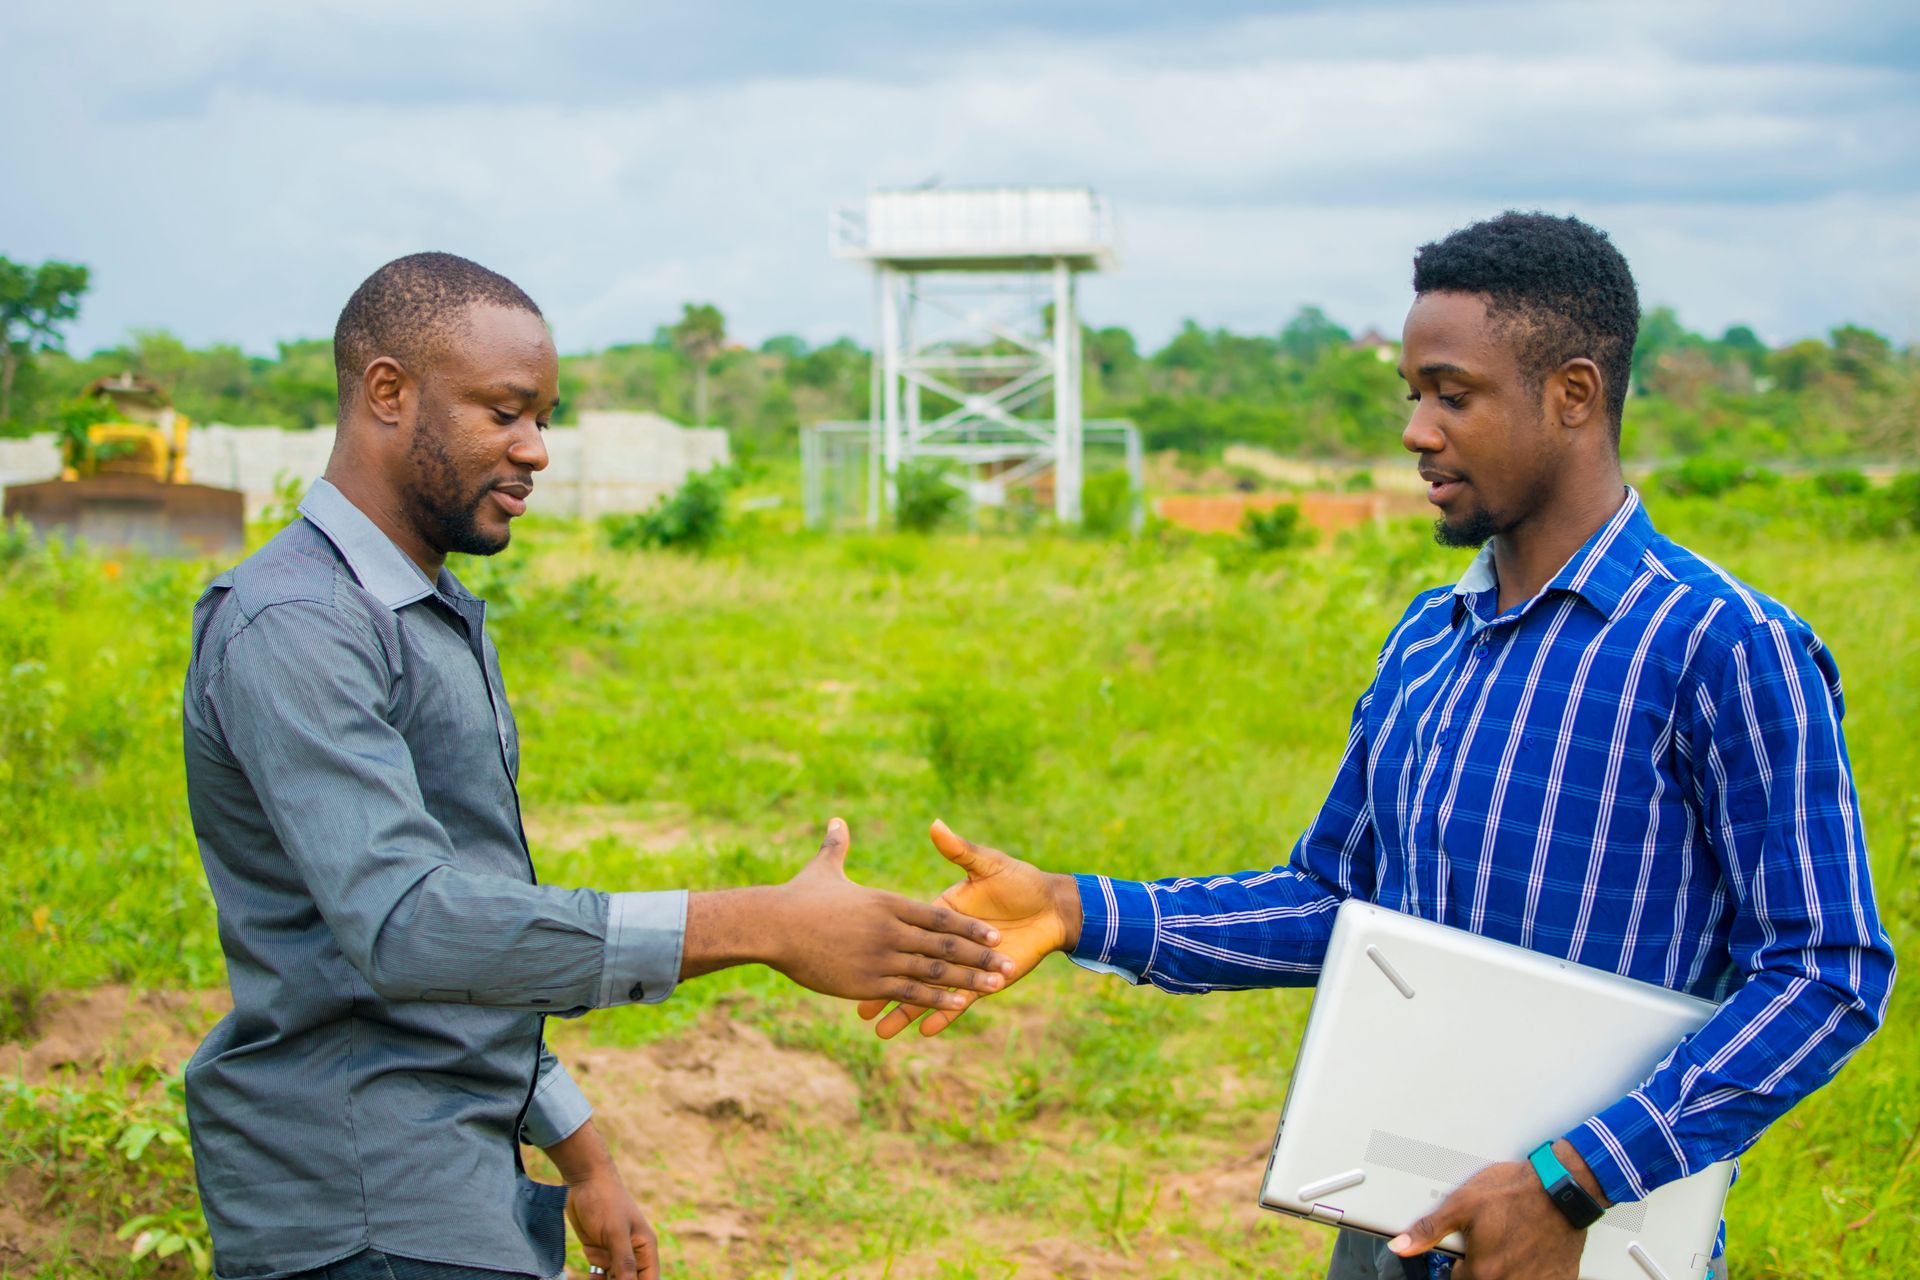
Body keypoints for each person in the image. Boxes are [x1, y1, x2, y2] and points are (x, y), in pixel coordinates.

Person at [857, 213, 1896, 1280]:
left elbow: (1827, 971)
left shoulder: (1724, 646)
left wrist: (1574, 1176)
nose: (1417, 430)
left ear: (1574, 395)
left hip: (1586, 1243)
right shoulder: (1425, 642)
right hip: (1389, 1228)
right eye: (1414, 395)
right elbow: (1337, 904)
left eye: (1454, 394)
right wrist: (1077, 908)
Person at [182, 253, 1014, 1280]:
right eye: (505, 410)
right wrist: (762, 924)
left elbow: (475, 923)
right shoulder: (298, 624)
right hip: (367, 1202)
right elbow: (408, 926)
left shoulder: (418, 613)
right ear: (388, 392)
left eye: (545, 417)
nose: (535, 449)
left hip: (449, 1178)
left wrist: (580, 1148)